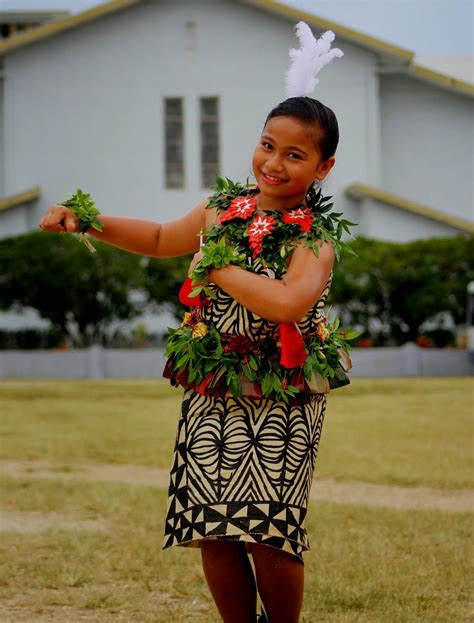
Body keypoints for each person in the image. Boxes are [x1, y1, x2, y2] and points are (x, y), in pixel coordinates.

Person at [39, 23, 356, 623]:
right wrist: (88, 220)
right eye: (268, 145)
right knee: (213, 526)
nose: (275, 162)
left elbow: (290, 303)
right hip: (215, 386)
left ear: (323, 166)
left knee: (269, 531)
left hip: (281, 395)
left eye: (296, 154)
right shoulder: (222, 209)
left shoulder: (315, 236)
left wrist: (217, 268)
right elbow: (161, 238)